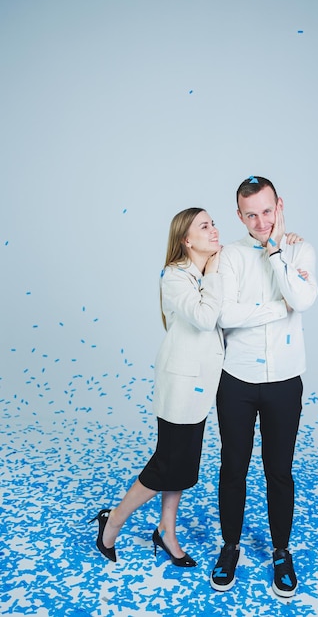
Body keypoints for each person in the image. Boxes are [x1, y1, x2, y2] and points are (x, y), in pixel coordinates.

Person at [90, 207, 224, 567]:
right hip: (181, 384)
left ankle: (166, 529)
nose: (214, 230)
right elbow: (206, 317)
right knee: (168, 462)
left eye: (214, 224)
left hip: (203, 384)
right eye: (205, 226)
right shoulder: (175, 276)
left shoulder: (210, 269)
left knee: (181, 463)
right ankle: (114, 520)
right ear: (187, 239)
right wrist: (212, 274)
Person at [210, 176, 318, 597]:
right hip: (235, 379)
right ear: (239, 215)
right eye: (250, 213)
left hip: (285, 380)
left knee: (279, 472)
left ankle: (280, 552)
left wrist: (276, 253)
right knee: (232, 468)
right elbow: (225, 316)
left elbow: (305, 300)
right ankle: (230, 547)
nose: (260, 221)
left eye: (267, 211)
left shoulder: (299, 249)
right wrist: (278, 307)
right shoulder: (229, 255)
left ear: (279, 207)